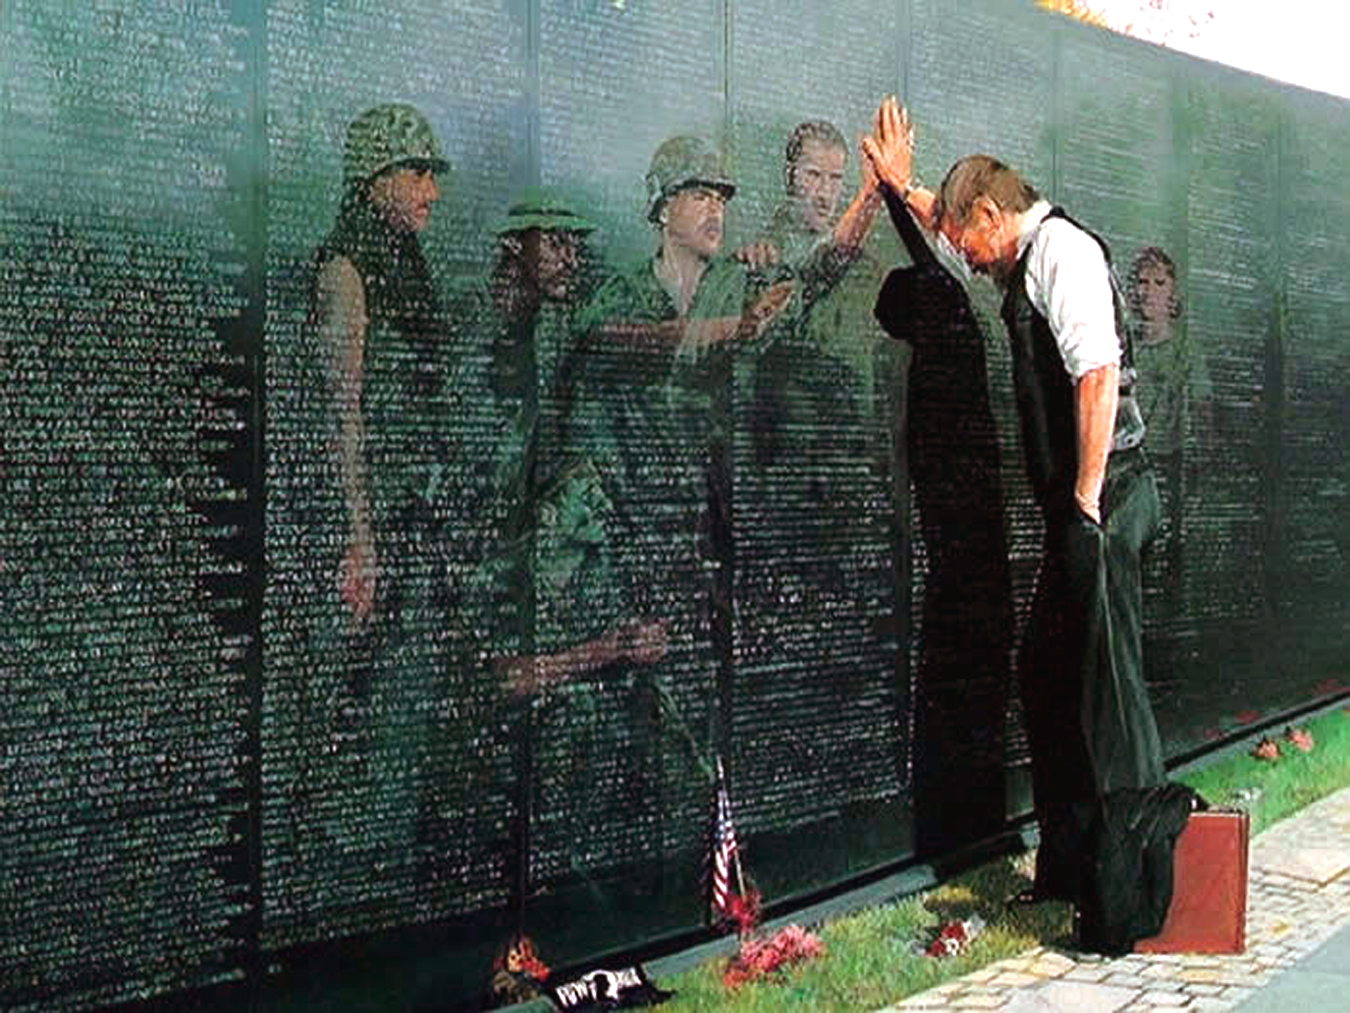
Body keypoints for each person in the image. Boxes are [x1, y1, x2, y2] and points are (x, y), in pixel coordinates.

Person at [864, 97, 1196, 952]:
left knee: (1107, 698)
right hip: (1082, 508)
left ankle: (1127, 905)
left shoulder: (1065, 255)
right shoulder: (1018, 246)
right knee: (1047, 674)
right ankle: (1071, 866)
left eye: (969, 242)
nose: (966, 263)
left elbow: (1095, 374)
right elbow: (944, 225)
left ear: (994, 216)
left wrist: (1084, 504)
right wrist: (900, 188)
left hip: (1107, 499)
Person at [545, 135, 794, 878]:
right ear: (661, 209)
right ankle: (608, 874)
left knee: (695, 702)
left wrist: (763, 286)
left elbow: (801, 289)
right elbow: (603, 340)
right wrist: (725, 330)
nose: (714, 212)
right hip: (623, 532)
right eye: (698, 197)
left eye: (721, 199)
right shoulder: (621, 293)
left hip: (698, 531)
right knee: (616, 705)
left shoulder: (738, 282)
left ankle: (700, 866)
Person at [308, 101, 452, 891]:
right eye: (418, 173)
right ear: (376, 181)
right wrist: (359, 534)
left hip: (413, 518)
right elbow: (344, 405)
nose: (431, 190)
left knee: (404, 701)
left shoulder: (405, 265)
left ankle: (381, 866)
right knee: (356, 698)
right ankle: (342, 865)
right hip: (373, 526)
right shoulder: (346, 271)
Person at [1129, 246, 1211, 615]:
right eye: (1142, 282)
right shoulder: (1125, 346)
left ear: (1172, 293)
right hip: (1127, 468)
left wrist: (1195, 469)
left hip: (1167, 466)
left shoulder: (1185, 349)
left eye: (1158, 283)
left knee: (1165, 554)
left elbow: (1202, 412)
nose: (1148, 291)